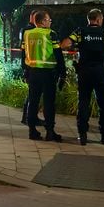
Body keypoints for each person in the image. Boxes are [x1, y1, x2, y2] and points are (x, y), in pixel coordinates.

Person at [61, 8, 104, 145]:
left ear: (88, 20)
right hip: (101, 72)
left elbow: (65, 44)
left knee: (83, 102)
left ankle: (82, 134)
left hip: (84, 72)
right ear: (98, 19)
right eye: (101, 19)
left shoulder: (80, 32)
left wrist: (74, 47)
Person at [22, 10, 66, 141]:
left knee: (33, 101)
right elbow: (58, 54)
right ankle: (50, 132)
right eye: (48, 20)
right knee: (49, 103)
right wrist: (63, 73)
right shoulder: (51, 34)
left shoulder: (27, 34)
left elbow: (23, 53)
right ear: (42, 22)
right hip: (48, 73)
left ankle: (32, 131)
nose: (50, 22)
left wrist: (25, 70)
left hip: (33, 72)